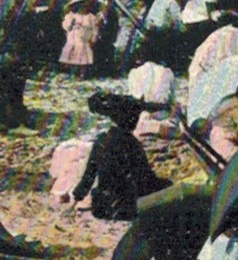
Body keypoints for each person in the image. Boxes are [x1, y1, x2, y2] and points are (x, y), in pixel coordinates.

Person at [68, 92, 171, 221]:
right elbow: (145, 179)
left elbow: (89, 175)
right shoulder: (132, 144)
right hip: (125, 208)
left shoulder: (102, 141)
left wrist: (75, 201)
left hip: (101, 206)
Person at [58, 0, 102, 74]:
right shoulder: (71, 16)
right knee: (72, 56)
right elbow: (66, 27)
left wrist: (93, 38)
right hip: (73, 39)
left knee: (83, 57)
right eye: (80, 5)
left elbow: (95, 29)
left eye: (85, 5)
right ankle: (72, 71)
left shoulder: (91, 17)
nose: (83, 7)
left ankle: (82, 73)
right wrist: (71, 23)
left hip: (84, 40)